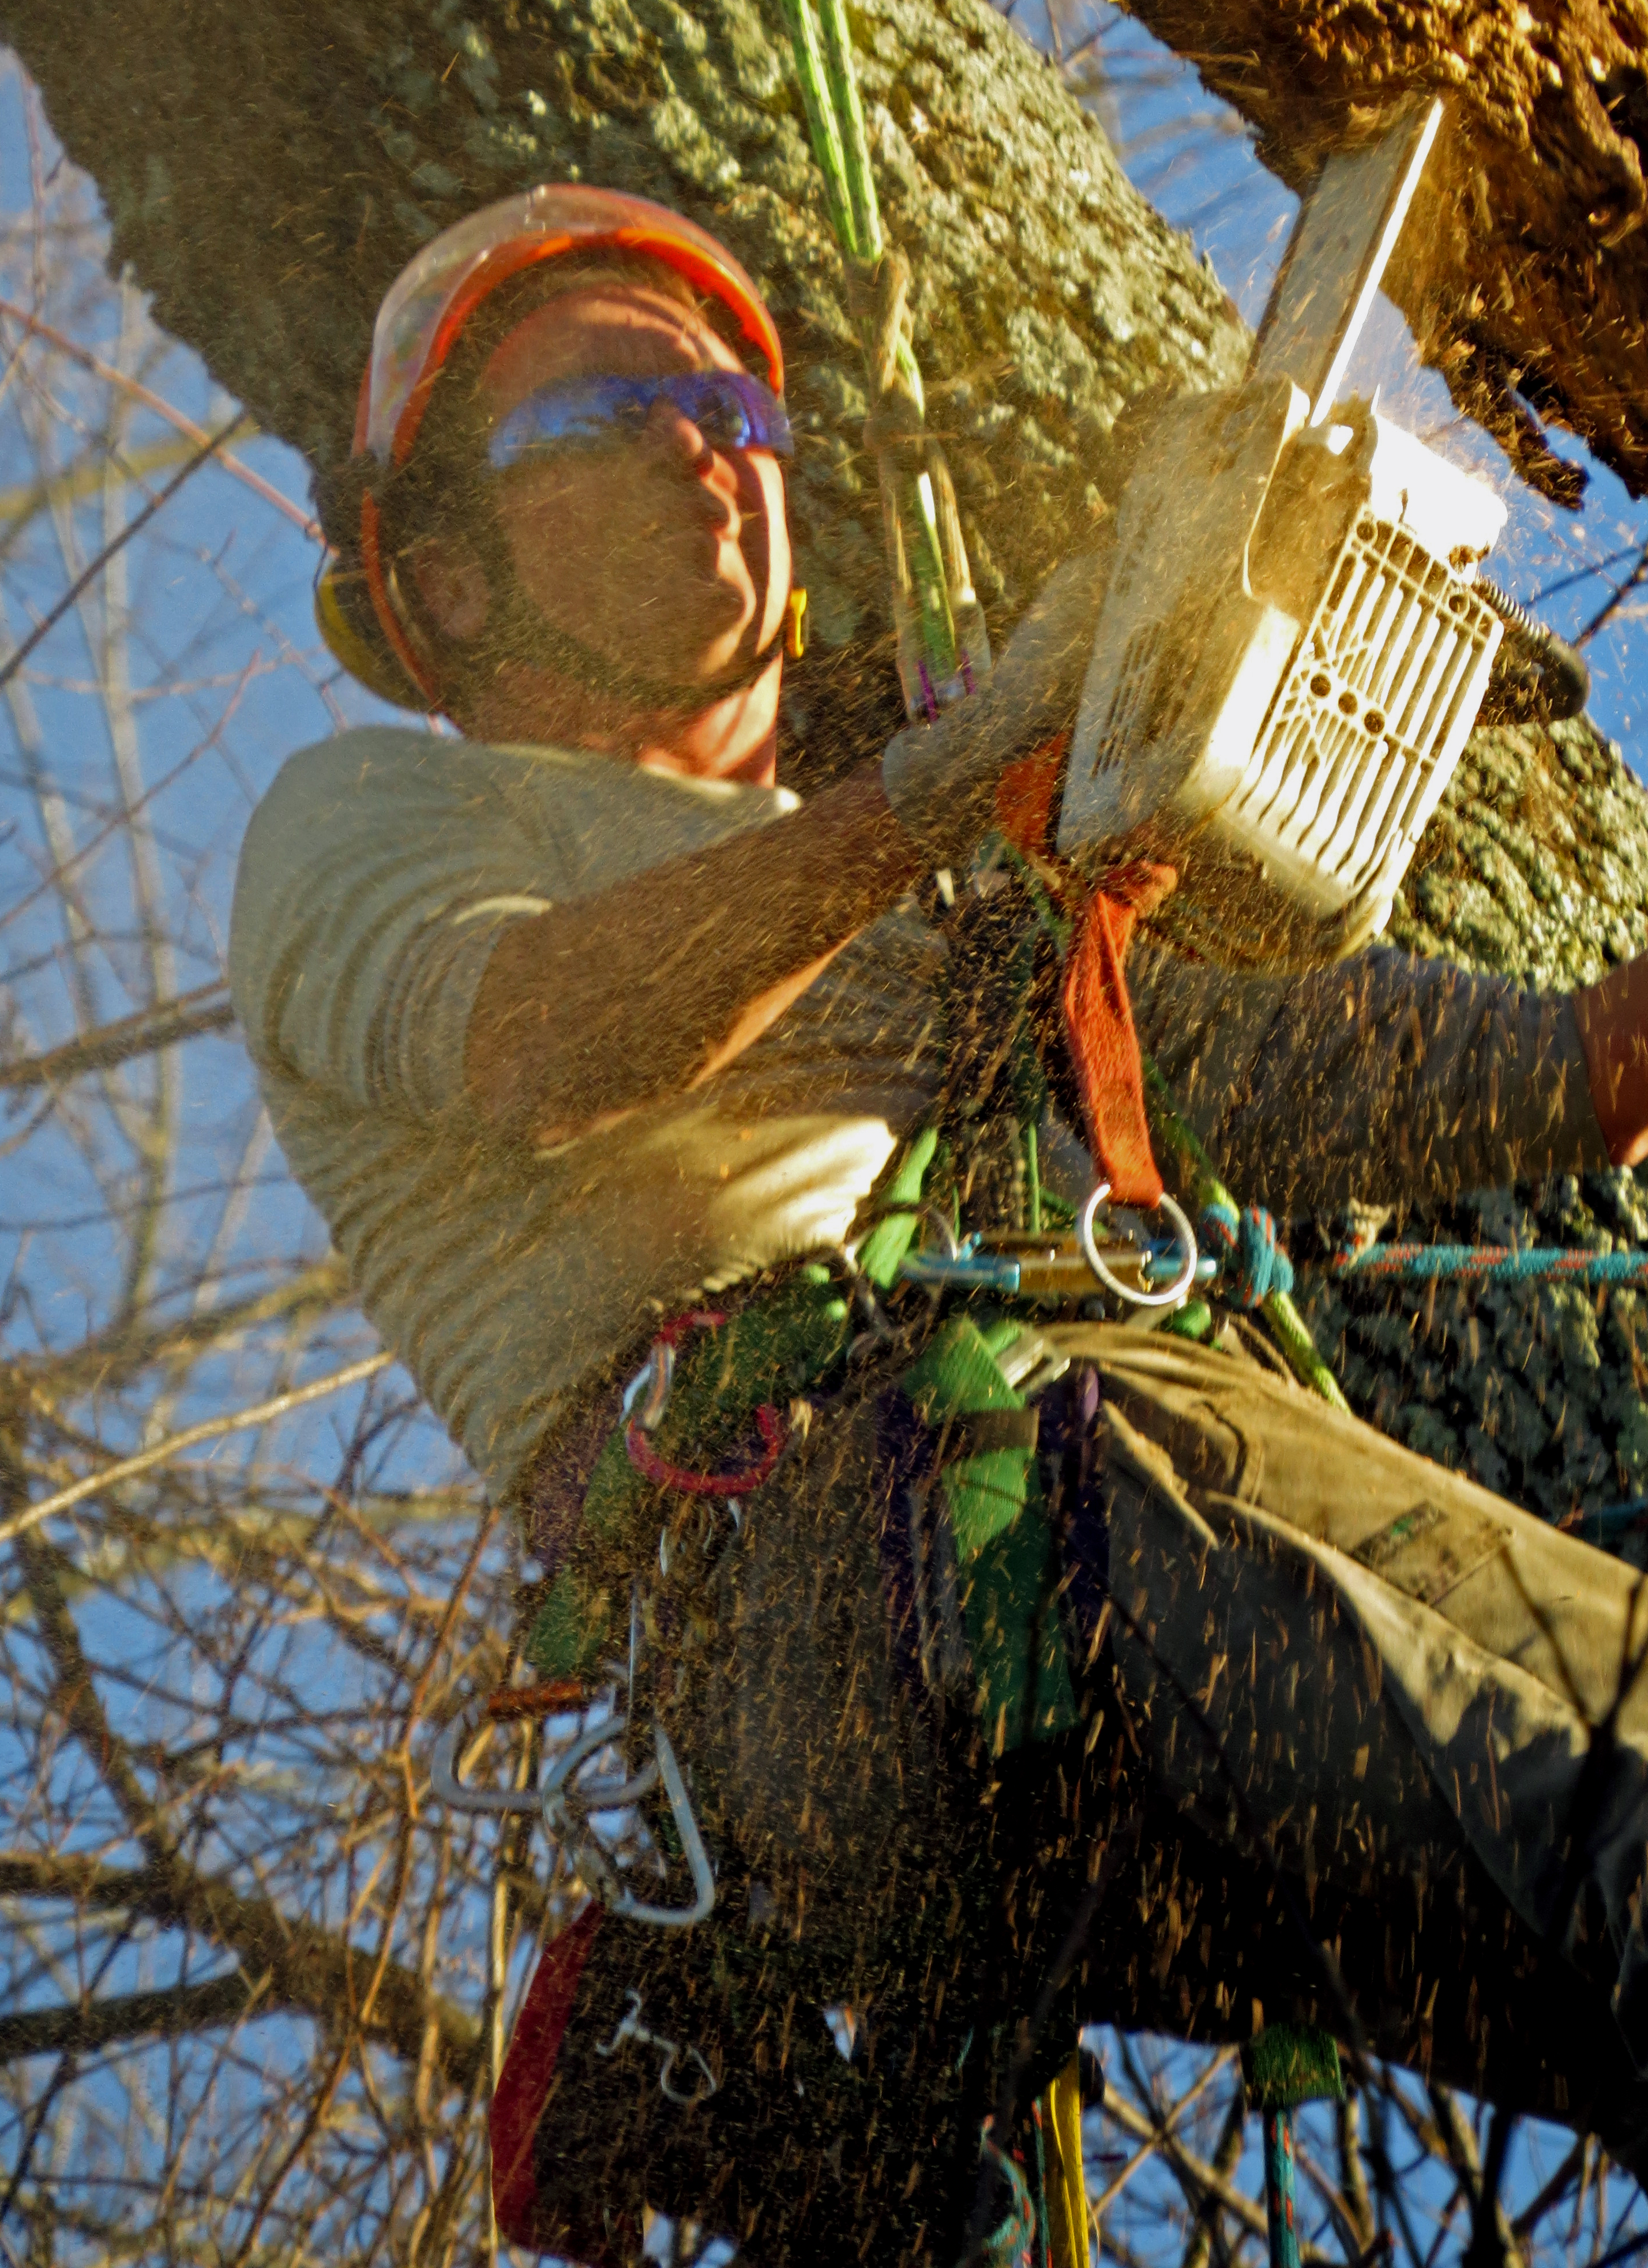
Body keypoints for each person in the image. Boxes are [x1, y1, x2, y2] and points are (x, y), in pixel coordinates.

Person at [232, 185, 1648, 2265]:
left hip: (1126, 1463)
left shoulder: (939, 884)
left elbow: (1291, 1076)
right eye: (606, 411)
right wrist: (940, 785)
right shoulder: (380, 817)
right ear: (437, 567)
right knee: (1589, 1827)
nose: (702, 442)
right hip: (856, 1567)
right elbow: (546, 1036)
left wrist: (1612, 1052)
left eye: (721, 396)